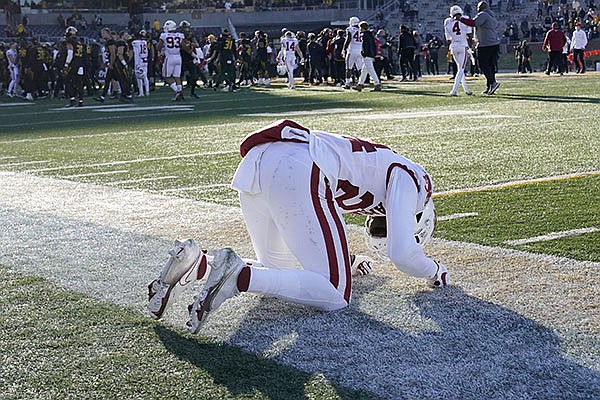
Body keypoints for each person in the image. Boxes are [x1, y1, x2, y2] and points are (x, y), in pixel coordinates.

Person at [146, 119, 449, 332]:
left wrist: (347, 262)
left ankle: (199, 261)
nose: (381, 228)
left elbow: (310, 226)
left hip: (263, 161)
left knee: (281, 272)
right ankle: (239, 276)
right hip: (301, 164)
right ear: (420, 220)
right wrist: (434, 271)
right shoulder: (416, 181)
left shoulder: (374, 171)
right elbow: (402, 253)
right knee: (334, 292)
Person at [460, 1, 501, 95]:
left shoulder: (483, 15)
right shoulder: (491, 15)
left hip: (485, 43)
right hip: (494, 42)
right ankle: (490, 86)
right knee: (491, 65)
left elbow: (474, 23)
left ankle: (492, 82)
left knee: (482, 64)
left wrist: (461, 19)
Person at [444, 5, 474, 96]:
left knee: (459, 68)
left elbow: (448, 39)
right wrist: (470, 46)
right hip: (463, 45)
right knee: (461, 69)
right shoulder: (465, 18)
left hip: (453, 46)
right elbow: (469, 35)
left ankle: (466, 89)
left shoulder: (447, 21)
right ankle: (454, 90)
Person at [157, 19, 185, 100]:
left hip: (169, 58)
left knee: (166, 77)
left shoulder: (164, 36)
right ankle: (180, 92)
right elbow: (183, 46)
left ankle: (177, 91)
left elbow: (158, 47)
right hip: (178, 57)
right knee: (177, 76)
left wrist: (160, 52)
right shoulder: (180, 35)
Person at [352, 21, 381, 92]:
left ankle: (377, 83)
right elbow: (373, 46)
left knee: (371, 70)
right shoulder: (370, 35)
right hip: (370, 54)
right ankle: (360, 84)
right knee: (364, 71)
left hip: (367, 54)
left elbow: (365, 46)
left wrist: (364, 53)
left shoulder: (364, 35)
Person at [62, 26, 85, 107]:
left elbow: (70, 53)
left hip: (73, 63)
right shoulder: (79, 42)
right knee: (79, 82)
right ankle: (81, 100)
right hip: (80, 63)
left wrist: (66, 64)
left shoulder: (70, 41)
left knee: (67, 80)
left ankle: (72, 99)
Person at [342, 17, 364, 89]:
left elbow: (348, 39)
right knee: (360, 69)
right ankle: (361, 83)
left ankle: (347, 84)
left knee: (349, 68)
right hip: (360, 50)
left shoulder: (350, 29)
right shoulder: (361, 30)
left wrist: (344, 48)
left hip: (352, 51)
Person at [131, 30, 150, 97]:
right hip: (145, 59)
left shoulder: (135, 43)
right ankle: (147, 91)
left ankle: (141, 92)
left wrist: (136, 64)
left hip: (139, 60)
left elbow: (136, 54)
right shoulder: (144, 42)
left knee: (139, 77)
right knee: (145, 76)